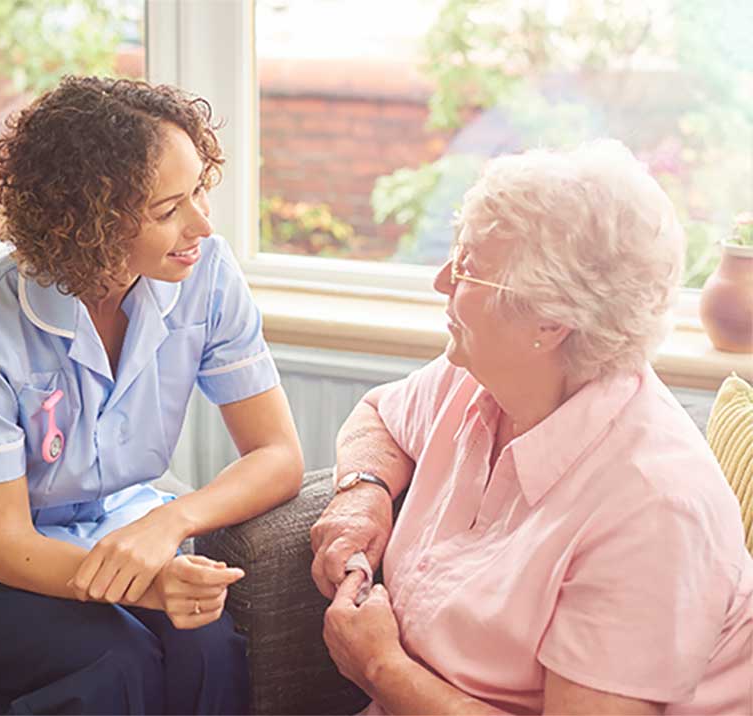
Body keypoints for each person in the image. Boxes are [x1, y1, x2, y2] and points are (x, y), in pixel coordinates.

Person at [0, 76, 304, 715]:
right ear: (87, 222)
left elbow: (278, 454)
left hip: (114, 516)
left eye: (198, 193)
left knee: (208, 646)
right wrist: (149, 588)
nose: (202, 227)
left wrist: (171, 521)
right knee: (111, 661)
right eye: (168, 210)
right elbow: (7, 546)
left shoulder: (207, 276)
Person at [312, 140, 752, 714]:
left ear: (550, 322)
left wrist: (381, 668)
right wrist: (362, 493)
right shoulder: (481, 377)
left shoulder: (654, 508)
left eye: (468, 269)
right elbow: (379, 417)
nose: (441, 281)